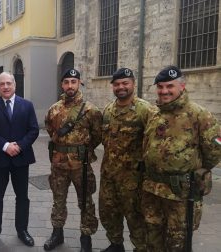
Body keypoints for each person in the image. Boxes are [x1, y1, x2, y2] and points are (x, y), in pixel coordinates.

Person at [142, 65, 221, 251]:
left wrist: (197, 171)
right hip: (152, 190)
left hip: (181, 195)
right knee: (152, 241)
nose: (164, 91)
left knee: (178, 243)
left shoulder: (199, 115)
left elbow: (215, 149)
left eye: (169, 86)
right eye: (160, 87)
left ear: (182, 87)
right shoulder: (154, 114)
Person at [44, 68, 102, 252]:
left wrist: (81, 150)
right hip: (59, 165)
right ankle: (57, 233)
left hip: (81, 166)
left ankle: (86, 237)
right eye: (67, 82)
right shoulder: (54, 109)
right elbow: (50, 130)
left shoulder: (90, 110)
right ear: (62, 84)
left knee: (85, 201)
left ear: (79, 83)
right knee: (58, 200)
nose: (70, 85)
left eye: (73, 82)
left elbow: (97, 135)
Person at [0, 72, 39, 249]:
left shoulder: (27, 105)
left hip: (21, 160)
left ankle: (22, 231)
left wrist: (19, 146)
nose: (5, 87)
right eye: (2, 84)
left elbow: (34, 130)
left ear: (14, 84)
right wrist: (6, 146)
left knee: (22, 198)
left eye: (8, 83)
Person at [99, 68, 154, 252]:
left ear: (133, 84)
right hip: (109, 176)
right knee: (109, 214)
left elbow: (153, 144)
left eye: (125, 83)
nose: (121, 87)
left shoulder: (145, 110)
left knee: (136, 219)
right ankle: (116, 245)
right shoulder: (108, 110)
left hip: (133, 180)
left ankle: (140, 248)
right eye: (117, 84)